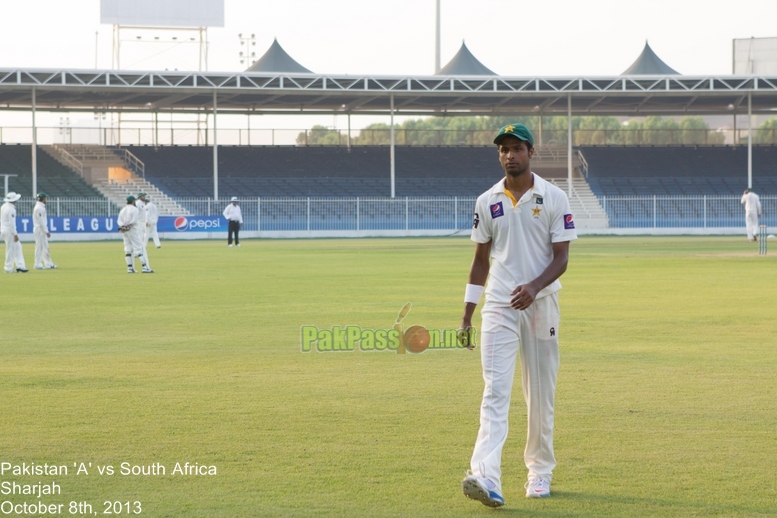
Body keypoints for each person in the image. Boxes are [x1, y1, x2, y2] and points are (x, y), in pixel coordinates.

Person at [460, 124, 577, 507]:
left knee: (540, 394)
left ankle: (539, 472)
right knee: (495, 390)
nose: (509, 155)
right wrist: (467, 315)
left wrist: (533, 287)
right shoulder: (487, 200)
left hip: (541, 305)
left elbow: (562, 259)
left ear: (531, 152)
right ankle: (485, 476)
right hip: (499, 305)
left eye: (516, 148)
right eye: (503, 150)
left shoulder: (554, 196)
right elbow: (480, 262)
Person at [117, 196, 153, 274]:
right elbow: (134, 220)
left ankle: (130, 268)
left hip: (125, 231)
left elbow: (119, 221)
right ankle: (144, 267)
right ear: (133, 201)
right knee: (139, 248)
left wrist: (123, 226)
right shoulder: (134, 209)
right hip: (133, 229)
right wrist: (128, 225)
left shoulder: (123, 210)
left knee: (128, 249)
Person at [1, 191, 28, 273]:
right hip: (9, 231)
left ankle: (20, 265)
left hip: (4, 229)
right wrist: (15, 234)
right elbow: (11, 223)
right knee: (10, 249)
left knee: (18, 246)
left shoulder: (4, 206)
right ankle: (8, 268)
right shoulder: (11, 209)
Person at [32, 192, 57, 270]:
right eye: (45, 198)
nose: (46, 199)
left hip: (42, 230)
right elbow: (41, 221)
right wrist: (46, 231)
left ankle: (48, 263)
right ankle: (37, 264)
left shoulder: (41, 207)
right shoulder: (39, 208)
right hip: (40, 230)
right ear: (43, 199)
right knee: (39, 247)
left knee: (45, 247)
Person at [135, 192, 152, 267]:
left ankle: (137, 253)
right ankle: (137, 253)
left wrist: (146, 221)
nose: (144, 197)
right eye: (143, 196)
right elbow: (136, 213)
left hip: (142, 223)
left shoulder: (142, 204)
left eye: (144, 196)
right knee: (140, 241)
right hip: (139, 223)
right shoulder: (138, 203)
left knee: (141, 240)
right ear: (139, 197)